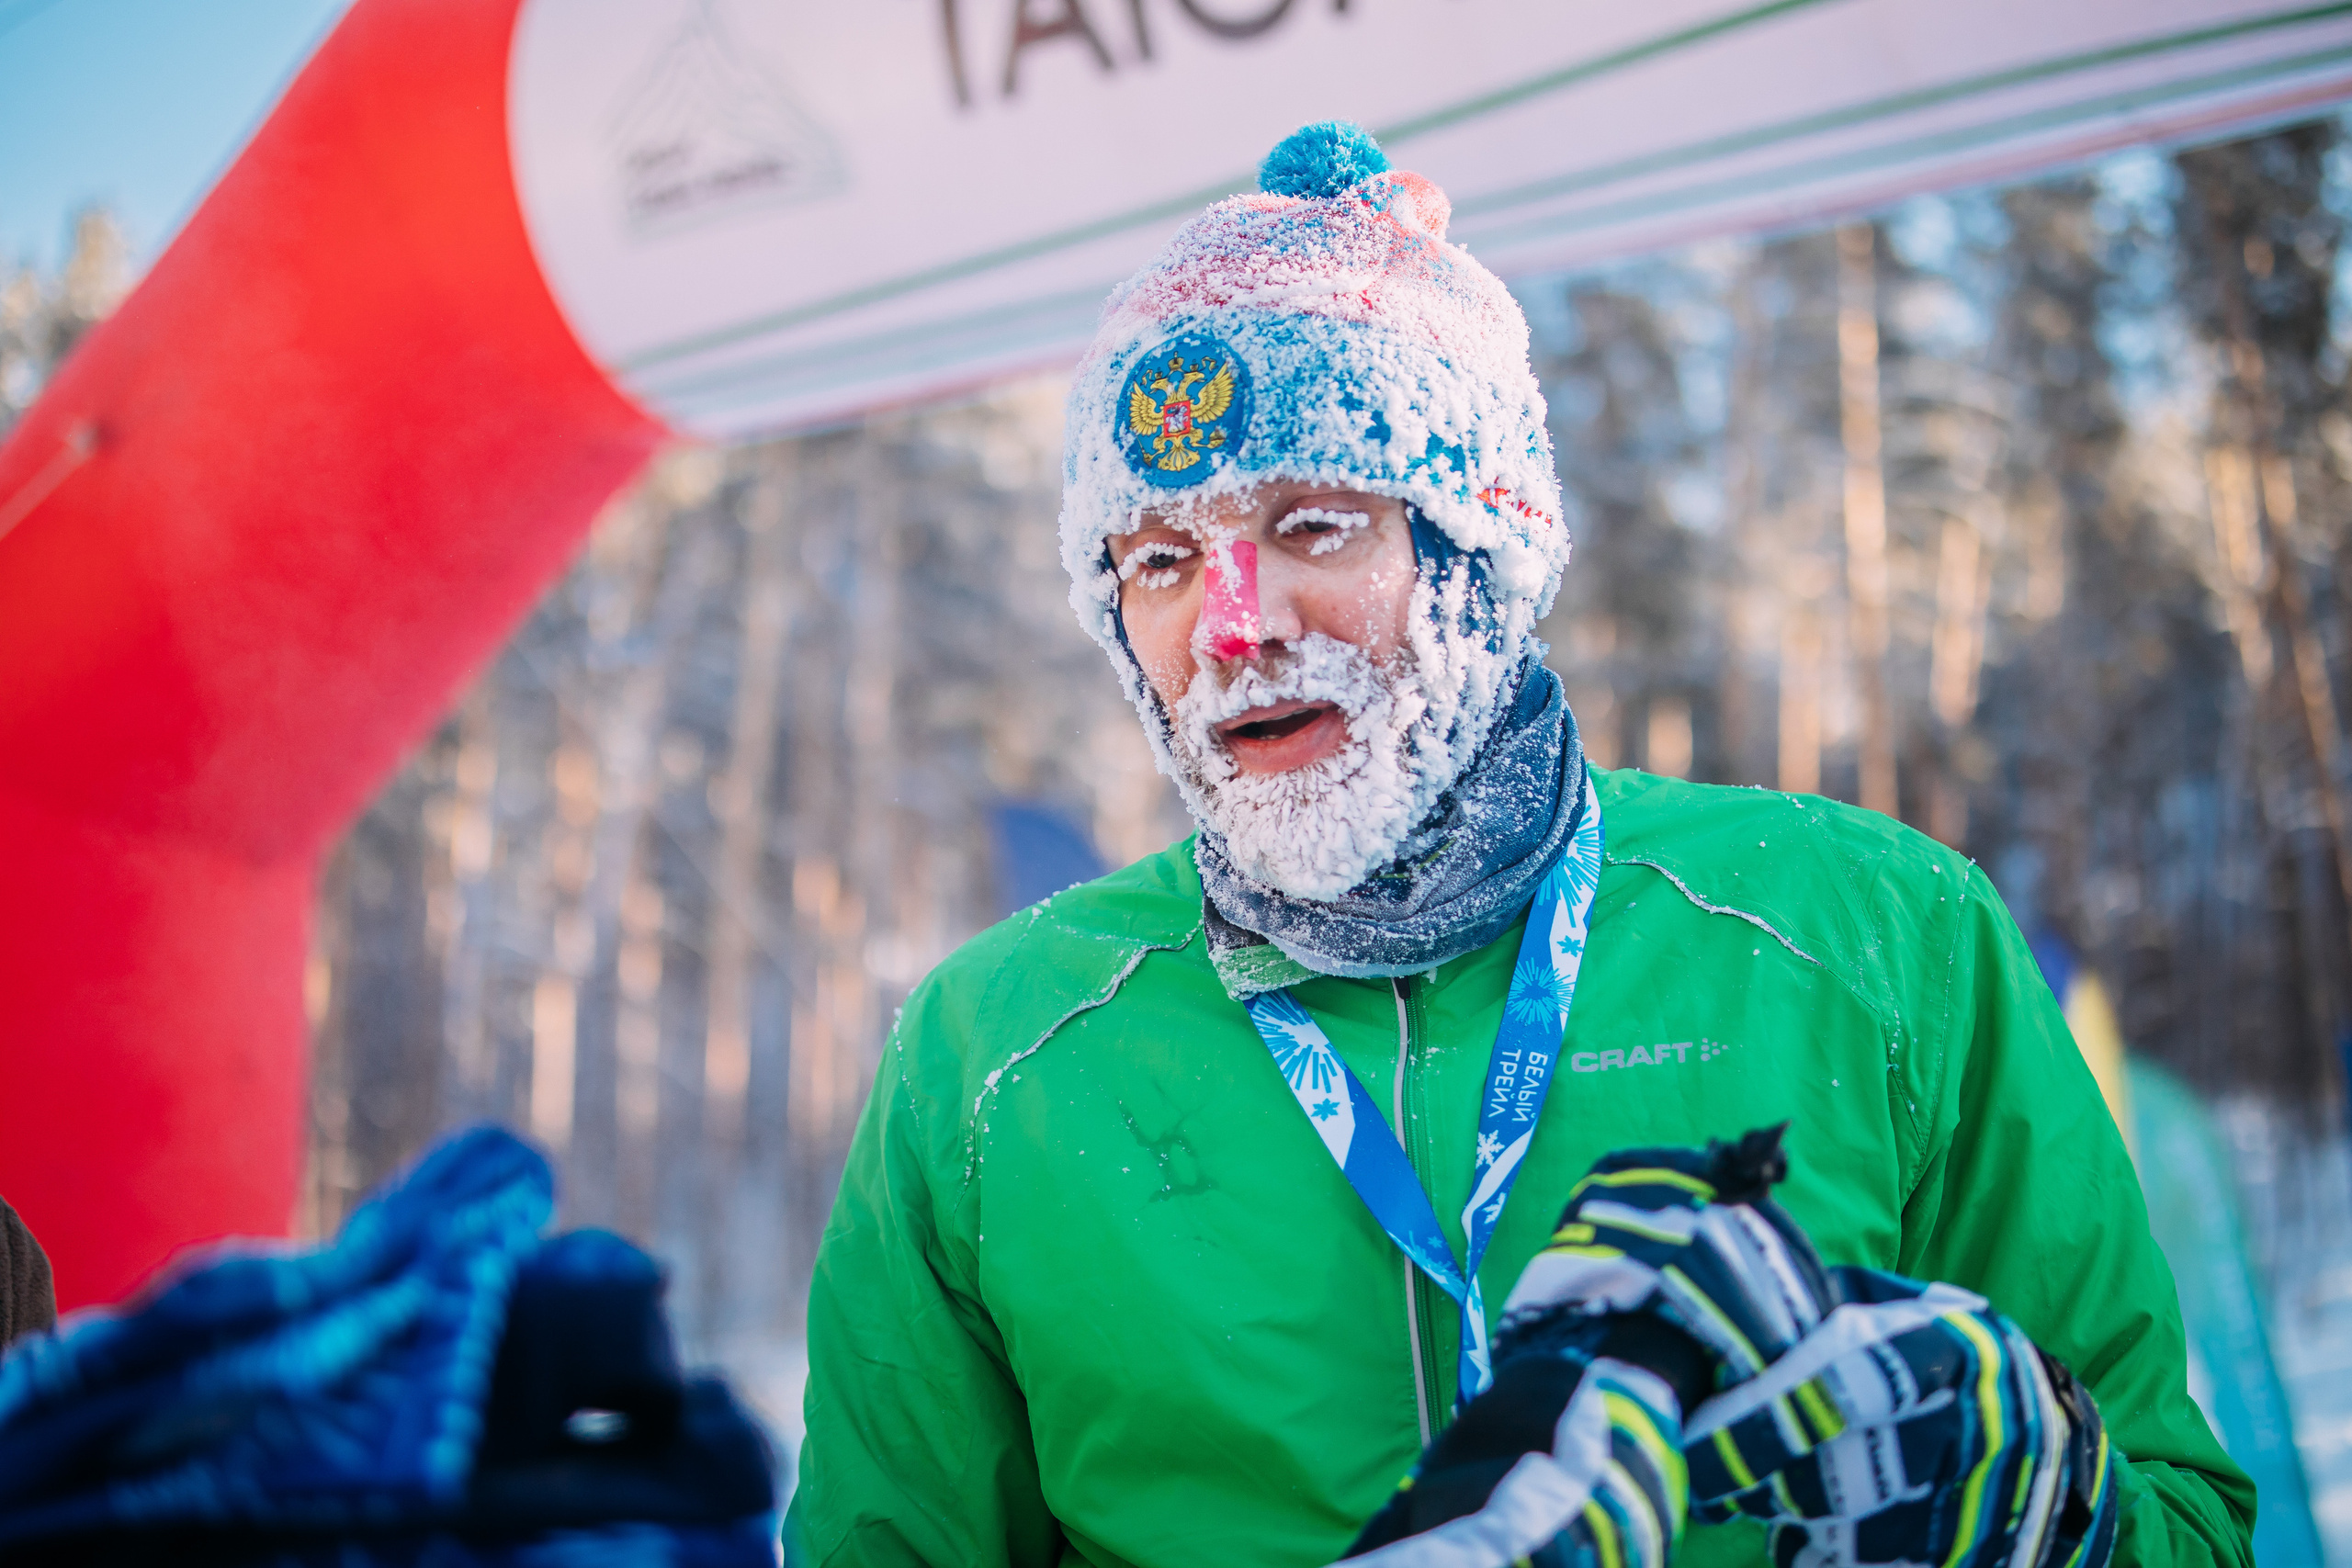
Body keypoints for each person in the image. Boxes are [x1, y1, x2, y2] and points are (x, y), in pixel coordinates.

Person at [786, 123, 2252, 1567]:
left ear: (1481, 556)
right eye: (1161, 561)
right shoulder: (991, 1053)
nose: (1233, 629)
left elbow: (2191, 1523)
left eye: (1312, 525)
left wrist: (2070, 1517)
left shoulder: (1877, 932)